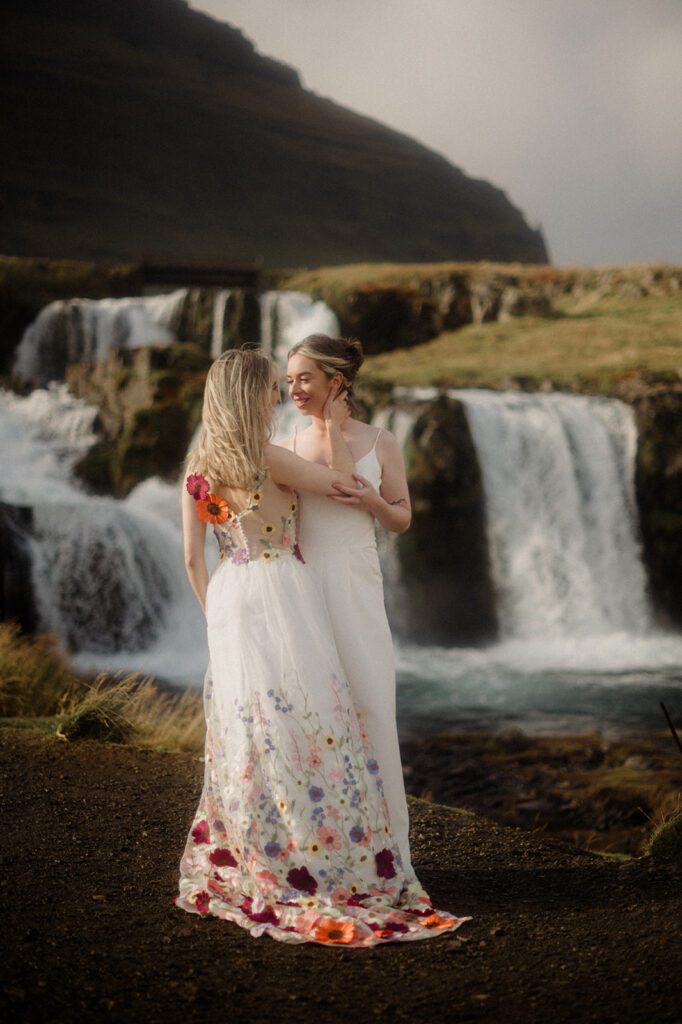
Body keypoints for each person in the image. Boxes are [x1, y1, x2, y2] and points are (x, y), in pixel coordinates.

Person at [173, 348, 471, 947]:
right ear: (248, 397)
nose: (276, 397)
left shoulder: (198, 470)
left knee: (247, 728)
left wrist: (215, 620)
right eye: (268, 389)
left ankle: (256, 849)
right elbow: (342, 486)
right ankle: (319, 848)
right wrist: (336, 431)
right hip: (285, 591)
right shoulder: (272, 458)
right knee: (313, 723)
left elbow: (190, 558)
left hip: (231, 598)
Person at [281, 334, 414, 873]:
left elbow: (402, 518)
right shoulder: (286, 445)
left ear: (336, 381)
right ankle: (323, 851)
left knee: (372, 707)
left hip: (357, 586)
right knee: (313, 714)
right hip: (305, 588)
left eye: (304, 378)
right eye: (289, 380)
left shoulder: (383, 443)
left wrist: (374, 502)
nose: (294, 389)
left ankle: (387, 852)